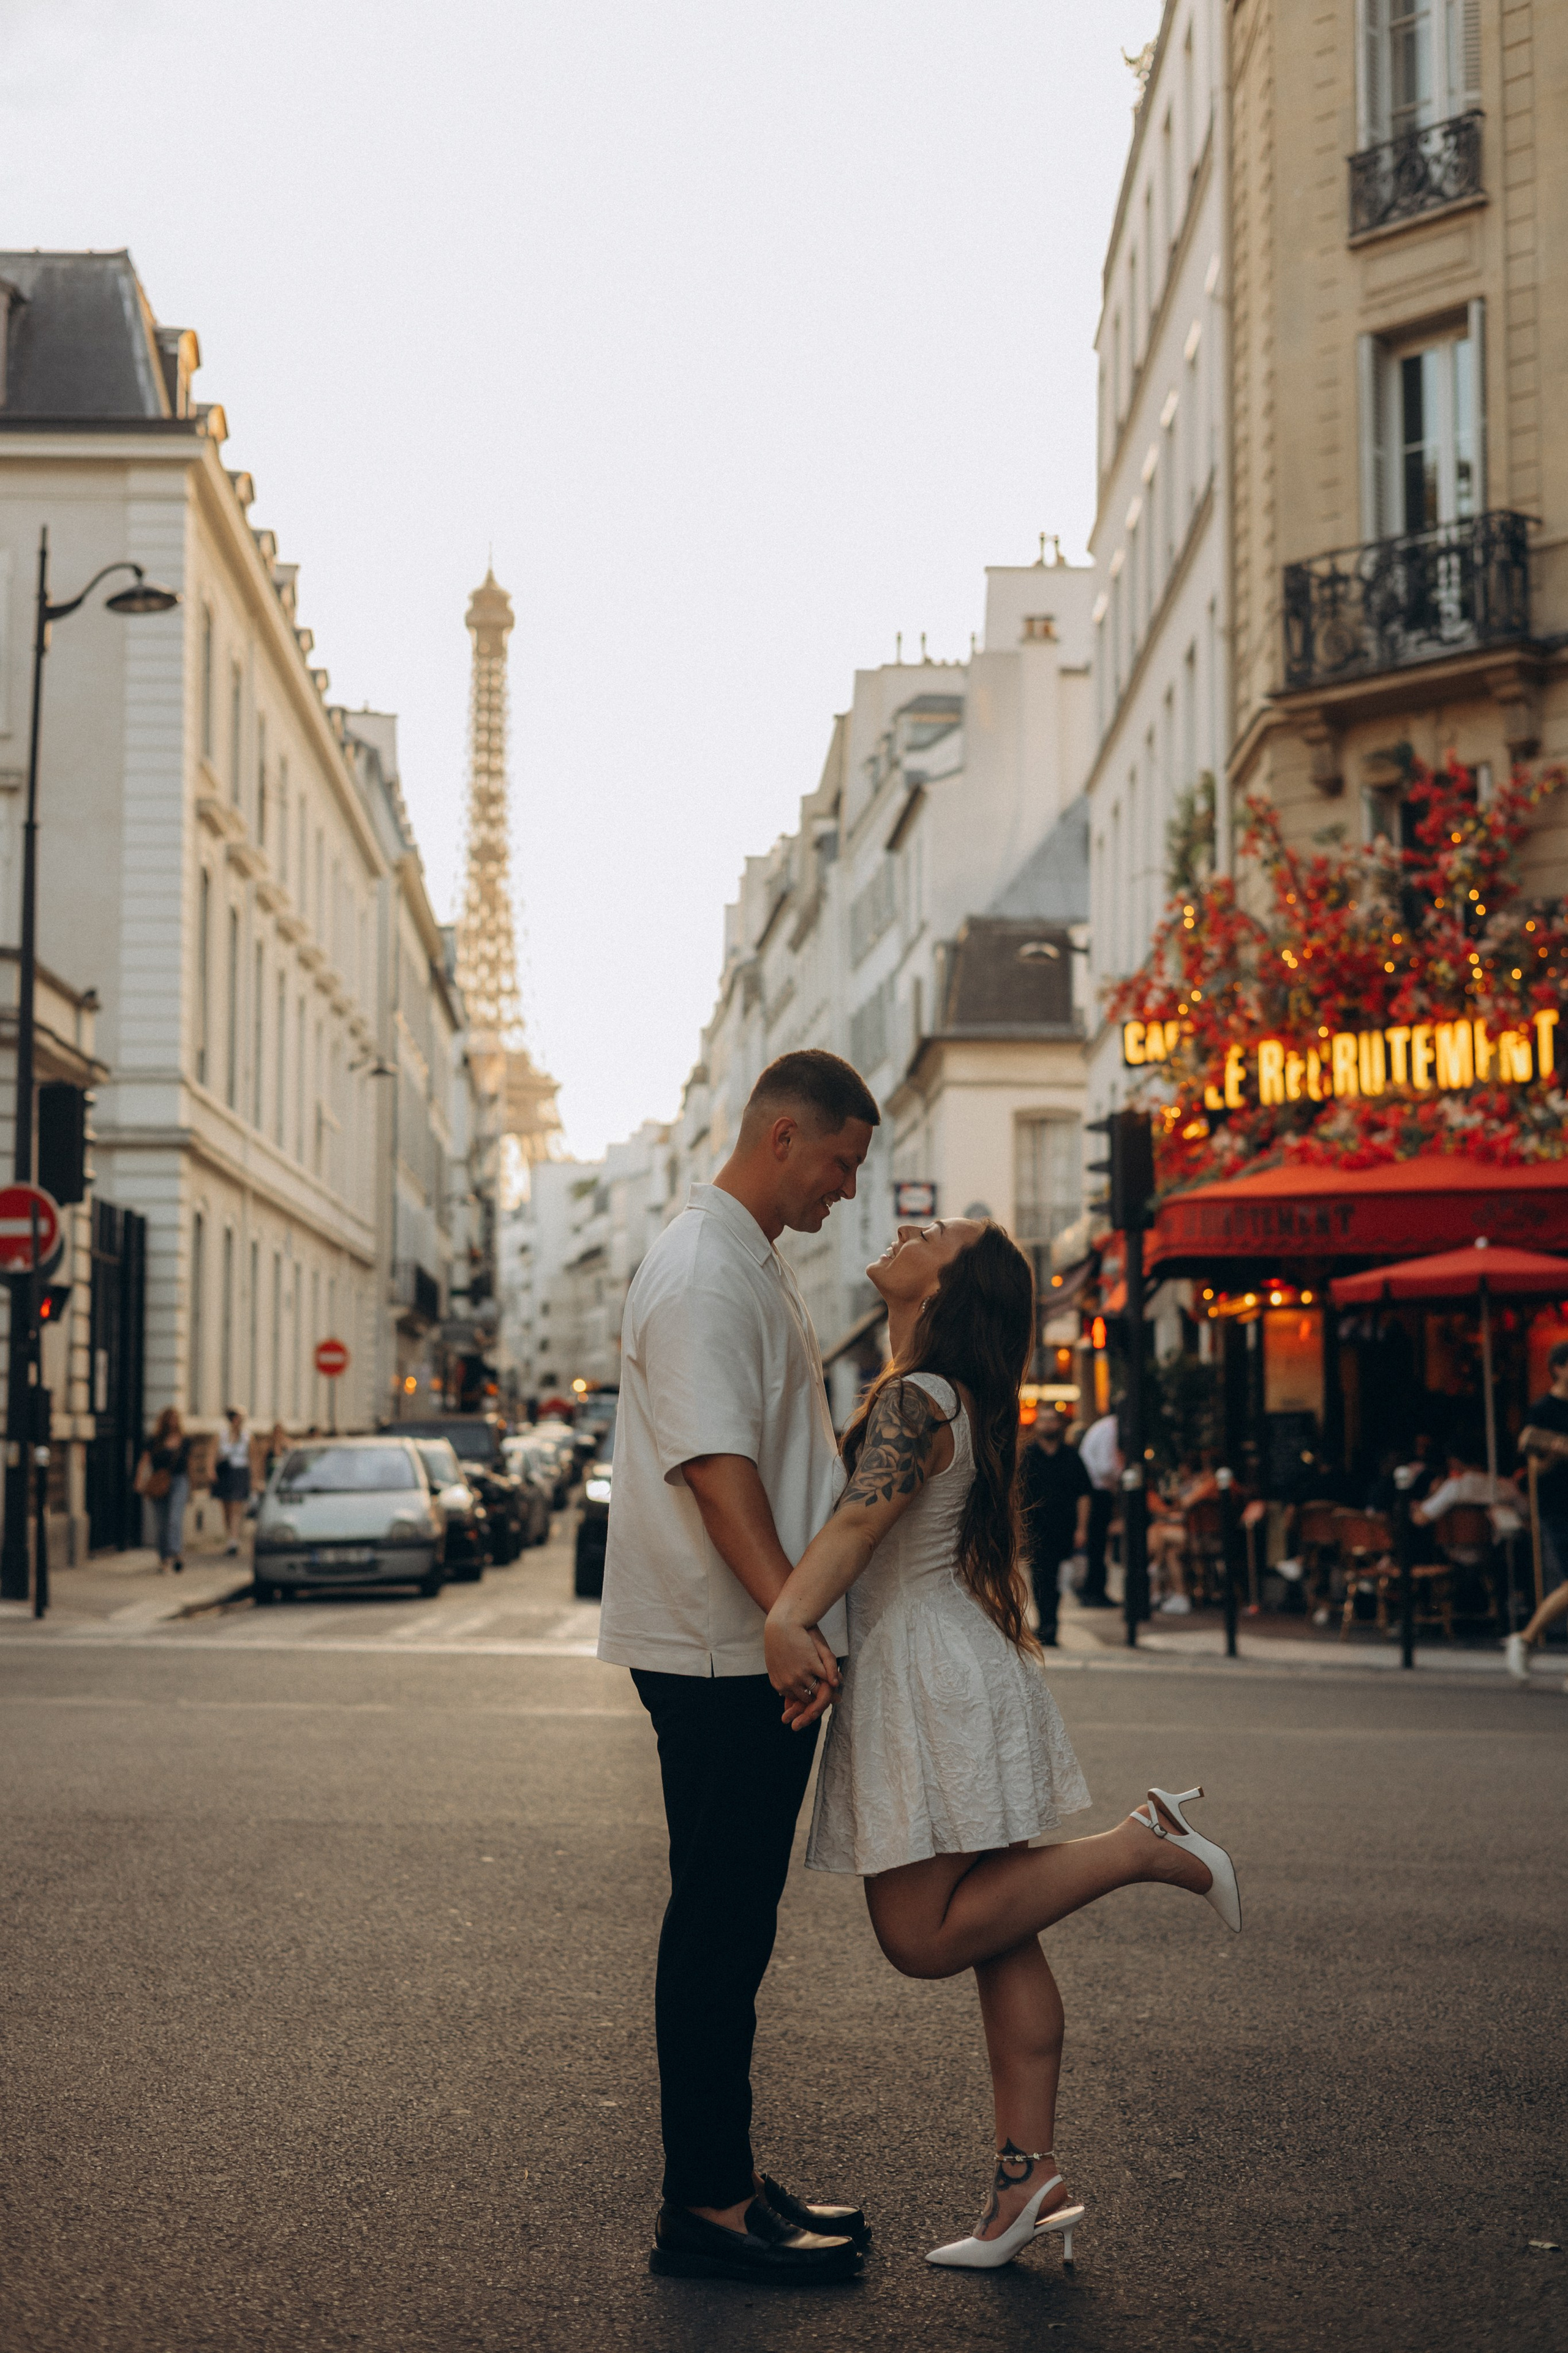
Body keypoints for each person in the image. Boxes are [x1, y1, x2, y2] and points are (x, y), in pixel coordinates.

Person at [766, 1218, 1240, 2273]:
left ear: (953, 1284)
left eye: (938, 1230)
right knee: (998, 1934)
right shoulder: (941, 1390)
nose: (912, 1223)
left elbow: (853, 1532)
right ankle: (1029, 2182)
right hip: (951, 1665)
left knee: (923, 1937)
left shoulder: (917, 1398)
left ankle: (1142, 1843)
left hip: (928, 1679)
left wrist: (786, 1618)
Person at [597, 1048, 880, 2287]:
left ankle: (723, 2179)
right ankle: (704, 2207)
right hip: (723, 1652)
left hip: (733, 1645)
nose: (845, 1190)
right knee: (717, 1928)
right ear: (782, 1138)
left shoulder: (736, 1258)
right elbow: (717, 1466)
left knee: (729, 1924)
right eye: (839, 1162)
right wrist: (787, 1614)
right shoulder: (706, 1268)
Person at [1507, 1340, 1568, 1680]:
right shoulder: (1543, 1410)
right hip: (1559, 1505)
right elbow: (1534, 1472)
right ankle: (1526, 1638)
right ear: (1558, 1368)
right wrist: (1557, 1452)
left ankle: (1525, 1639)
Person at [1017, 1412, 1090, 1646]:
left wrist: (1082, 1528)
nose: (1048, 1424)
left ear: (1060, 1424)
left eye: (1052, 1419)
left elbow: (1084, 1495)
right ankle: (1045, 1624)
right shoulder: (1028, 1455)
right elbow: (1016, 1494)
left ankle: (1051, 1623)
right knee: (1040, 1577)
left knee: (1059, 1579)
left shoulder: (1071, 1456)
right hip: (1035, 1527)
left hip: (1064, 1527)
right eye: (1044, 1419)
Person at [136, 1407, 192, 1573]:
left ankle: (176, 1553)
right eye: (169, 1419)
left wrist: (192, 1487)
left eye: (175, 1419)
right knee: (161, 1523)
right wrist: (139, 1480)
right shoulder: (155, 1440)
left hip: (179, 1481)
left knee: (174, 1519)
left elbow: (189, 1465)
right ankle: (164, 1558)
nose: (172, 1422)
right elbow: (144, 1461)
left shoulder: (185, 1441)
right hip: (159, 1483)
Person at [1076, 1407, 1121, 1608]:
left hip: (1096, 1489)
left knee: (1098, 1544)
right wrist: (1121, 1475)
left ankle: (1094, 1589)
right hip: (1098, 1491)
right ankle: (1094, 1590)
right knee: (1098, 1543)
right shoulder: (1111, 1428)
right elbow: (1106, 1467)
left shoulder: (1105, 1427)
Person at [214, 1408, 252, 1554]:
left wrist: (254, 1479)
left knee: (236, 1507)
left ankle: (234, 1540)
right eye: (236, 1419)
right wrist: (211, 1470)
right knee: (227, 1508)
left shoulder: (247, 1437)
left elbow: (253, 1458)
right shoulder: (222, 1436)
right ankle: (230, 1536)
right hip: (224, 1473)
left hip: (240, 1472)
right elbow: (213, 1453)